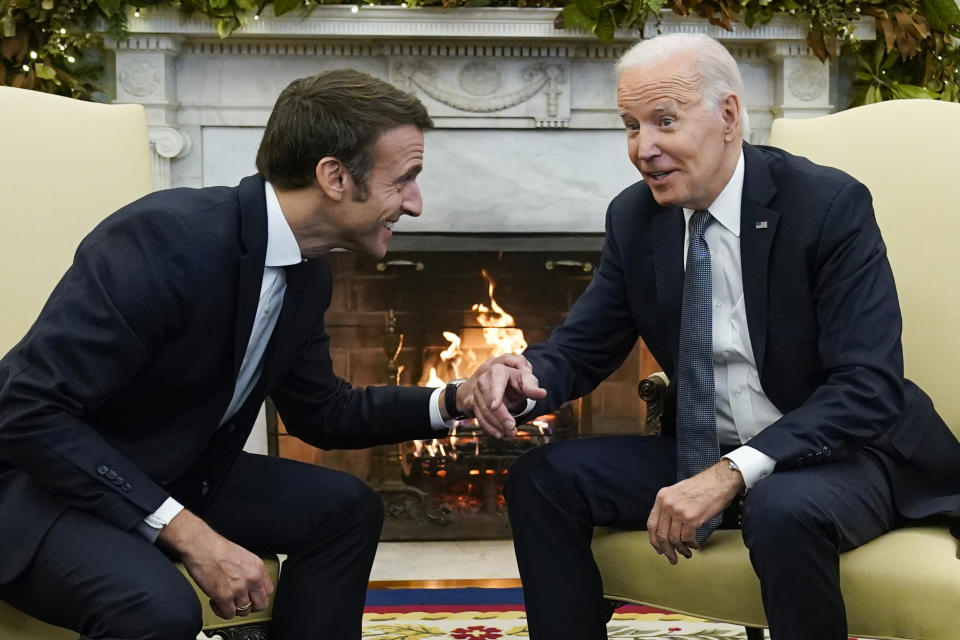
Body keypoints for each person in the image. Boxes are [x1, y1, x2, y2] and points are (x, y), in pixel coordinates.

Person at [453, 33, 960, 640]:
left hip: (847, 453)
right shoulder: (636, 217)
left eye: (665, 121)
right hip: (704, 449)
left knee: (780, 507)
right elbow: (584, 345)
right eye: (631, 126)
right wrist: (525, 374)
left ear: (727, 116)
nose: (645, 149)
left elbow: (868, 386)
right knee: (543, 480)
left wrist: (732, 473)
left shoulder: (826, 205)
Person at [0, 69, 463, 640]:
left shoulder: (308, 269)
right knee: (158, 609)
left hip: (172, 471)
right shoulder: (165, 238)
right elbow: (25, 410)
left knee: (344, 509)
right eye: (405, 180)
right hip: (37, 491)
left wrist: (457, 399)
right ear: (335, 176)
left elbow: (323, 412)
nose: (415, 205)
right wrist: (191, 535)